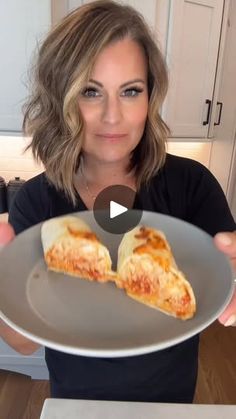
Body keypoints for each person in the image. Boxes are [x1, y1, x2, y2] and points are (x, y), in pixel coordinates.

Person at [0, 0, 236, 403]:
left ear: (151, 96)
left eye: (131, 91)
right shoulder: (37, 202)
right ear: (62, 97)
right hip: (77, 401)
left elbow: (225, 275)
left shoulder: (191, 185)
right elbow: (22, 344)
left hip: (172, 402)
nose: (113, 116)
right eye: (91, 91)